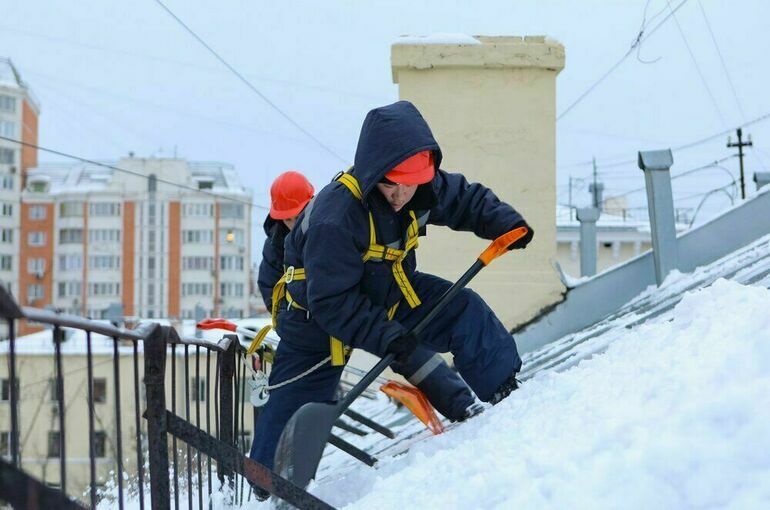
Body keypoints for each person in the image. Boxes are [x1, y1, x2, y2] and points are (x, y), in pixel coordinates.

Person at [249, 101, 534, 475]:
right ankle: (269, 486)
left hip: (391, 293)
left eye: (410, 185)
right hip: (314, 318)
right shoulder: (336, 217)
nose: (401, 195)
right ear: (372, 174)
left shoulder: (423, 188)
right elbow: (332, 302)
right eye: (391, 185)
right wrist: (386, 337)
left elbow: (465, 199)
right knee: (295, 406)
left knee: (462, 309)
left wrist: (505, 222)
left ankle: (503, 391)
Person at [252, 167, 484, 461]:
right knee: (290, 398)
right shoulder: (275, 247)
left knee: (406, 347)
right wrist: (294, 328)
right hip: (310, 329)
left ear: (311, 202)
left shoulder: (329, 222)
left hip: (355, 309)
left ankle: (461, 403)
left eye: (297, 214)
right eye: (286, 217)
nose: (292, 221)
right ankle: (265, 475)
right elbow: (271, 291)